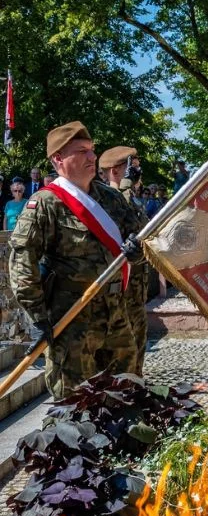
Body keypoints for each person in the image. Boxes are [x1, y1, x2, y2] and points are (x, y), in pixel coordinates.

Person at [7, 121, 148, 398]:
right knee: (75, 407)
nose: (92, 157)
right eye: (82, 151)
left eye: (92, 150)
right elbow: (23, 263)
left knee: (126, 396)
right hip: (72, 322)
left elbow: (144, 240)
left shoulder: (110, 197)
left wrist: (137, 251)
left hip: (117, 316)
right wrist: (37, 318)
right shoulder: (46, 204)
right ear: (58, 158)